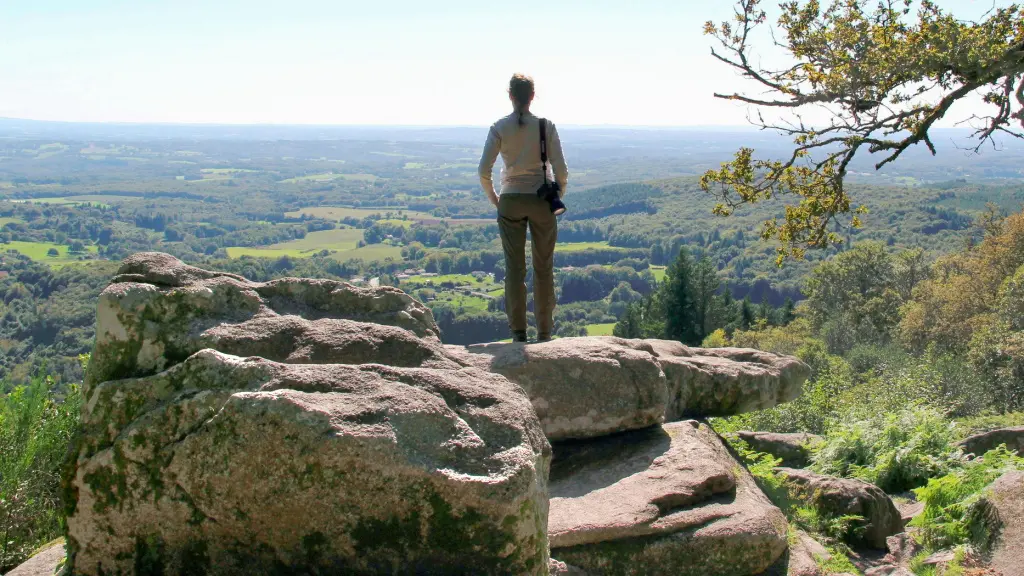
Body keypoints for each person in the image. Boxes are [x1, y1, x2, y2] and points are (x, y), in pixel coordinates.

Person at [478, 73, 568, 343]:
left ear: (510, 95)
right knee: (544, 267)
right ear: (532, 96)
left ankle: (518, 333)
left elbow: (483, 171)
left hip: (511, 199)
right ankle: (544, 332)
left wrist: (496, 198)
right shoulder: (545, 126)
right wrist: (557, 194)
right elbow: (561, 171)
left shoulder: (499, 128)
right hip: (542, 200)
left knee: (514, 270)